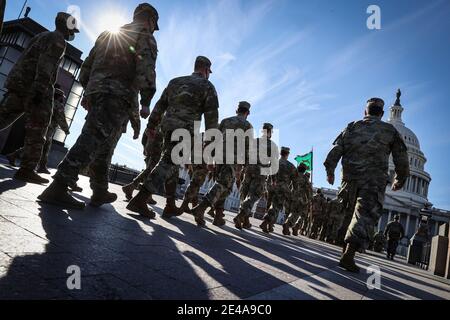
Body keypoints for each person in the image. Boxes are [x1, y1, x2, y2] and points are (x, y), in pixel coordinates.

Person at [38, 3, 159, 209]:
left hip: (97, 91)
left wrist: (88, 91)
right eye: (154, 24)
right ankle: (59, 185)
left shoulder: (109, 34)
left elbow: (87, 65)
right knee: (93, 138)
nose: (153, 28)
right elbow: (146, 68)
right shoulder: (145, 36)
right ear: (150, 20)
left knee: (101, 142)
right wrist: (146, 102)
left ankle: (100, 190)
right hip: (117, 95)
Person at [127, 56, 219, 219]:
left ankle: (169, 205)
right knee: (169, 162)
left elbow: (160, 104)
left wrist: (151, 125)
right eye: (209, 71)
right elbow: (211, 118)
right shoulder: (207, 86)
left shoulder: (175, 81)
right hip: (186, 130)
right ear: (206, 70)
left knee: (172, 165)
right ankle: (140, 199)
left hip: (168, 127)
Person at [324, 97, 409, 273]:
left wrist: (330, 170)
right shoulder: (389, 130)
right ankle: (349, 253)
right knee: (363, 216)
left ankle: (345, 250)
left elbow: (335, 150)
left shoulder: (351, 126)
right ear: (382, 114)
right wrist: (400, 178)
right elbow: (401, 157)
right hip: (373, 180)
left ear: (365, 111)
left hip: (349, 178)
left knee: (348, 213)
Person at [0, 12, 78, 184]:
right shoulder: (58, 41)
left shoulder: (42, 36)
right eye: (73, 30)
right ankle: (27, 170)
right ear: (67, 27)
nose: (73, 34)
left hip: (19, 85)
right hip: (35, 89)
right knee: (39, 129)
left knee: (3, 118)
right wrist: (40, 90)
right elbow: (45, 66)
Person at [191, 101, 253, 227]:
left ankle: (218, 216)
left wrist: (210, 157)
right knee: (223, 184)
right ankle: (201, 208)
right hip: (233, 159)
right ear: (248, 113)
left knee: (227, 188)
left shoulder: (226, 121)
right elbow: (247, 148)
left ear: (237, 110)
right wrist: (244, 166)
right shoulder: (248, 126)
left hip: (219, 156)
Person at [6, 85, 70, 173]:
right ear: (59, 96)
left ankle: (42, 166)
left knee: (41, 146)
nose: (62, 99)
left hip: (41, 126)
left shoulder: (47, 101)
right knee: (40, 145)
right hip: (48, 129)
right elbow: (61, 118)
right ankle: (15, 155)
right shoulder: (58, 105)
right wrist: (66, 130)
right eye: (61, 97)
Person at [236, 123, 277, 230]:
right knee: (255, 195)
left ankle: (245, 220)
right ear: (270, 132)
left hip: (249, 169)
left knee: (245, 193)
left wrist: (241, 168)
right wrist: (273, 179)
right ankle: (241, 216)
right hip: (261, 172)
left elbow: (244, 155)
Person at [260, 147, 296, 234]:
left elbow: (267, 173)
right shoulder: (290, 166)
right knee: (276, 206)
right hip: (281, 188)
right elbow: (294, 180)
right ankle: (265, 222)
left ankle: (270, 225)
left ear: (280, 153)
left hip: (271, 186)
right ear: (287, 154)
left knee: (270, 205)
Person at [283, 163, 309, 236]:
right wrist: (309, 199)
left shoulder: (293, 175)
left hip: (290, 196)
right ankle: (287, 225)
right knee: (296, 213)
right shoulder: (305, 178)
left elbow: (289, 185)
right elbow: (308, 190)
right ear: (304, 170)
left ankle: (287, 228)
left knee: (288, 212)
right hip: (299, 198)